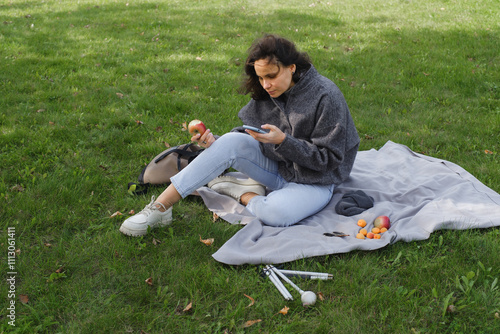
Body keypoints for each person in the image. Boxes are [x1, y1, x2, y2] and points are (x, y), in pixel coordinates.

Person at [119, 34, 360, 237]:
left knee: (275, 214)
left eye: (272, 76)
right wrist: (217, 145)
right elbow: (249, 134)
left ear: (292, 67)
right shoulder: (270, 92)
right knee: (231, 141)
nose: (266, 85)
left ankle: (238, 192)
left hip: (315, 181)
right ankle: (161, 208)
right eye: (261, 77)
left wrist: (284, 142)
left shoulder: (326, 96)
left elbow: (329, 159)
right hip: (279, 168)